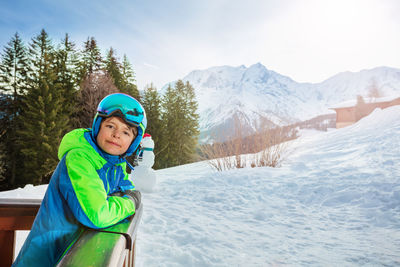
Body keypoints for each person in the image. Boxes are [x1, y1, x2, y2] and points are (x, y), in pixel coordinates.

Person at [12, 93, 146, 266]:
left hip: (73, 253)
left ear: (133, 142)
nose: (116, 135)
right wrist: (129, 203)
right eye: (111, 126)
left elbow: (126, 188)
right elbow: (97, 215)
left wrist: (128, 196)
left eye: (126, 132)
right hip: (48, 258)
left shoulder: (114, 163)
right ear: (98, 126)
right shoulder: (79, 158)